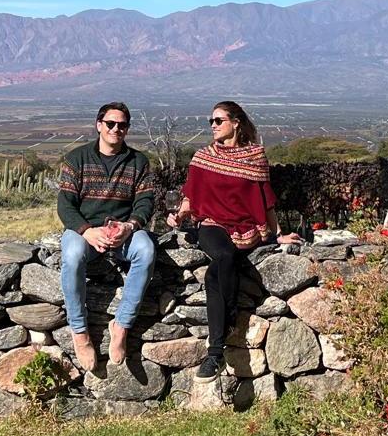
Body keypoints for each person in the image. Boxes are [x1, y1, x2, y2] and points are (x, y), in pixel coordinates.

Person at [169, 100, 301, 380]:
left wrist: (277, 235)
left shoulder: (255, 157)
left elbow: (266, 201)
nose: (213, 126)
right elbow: (191, 195)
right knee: (225, 257)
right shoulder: (203, 157)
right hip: (212, 225)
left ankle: (215, 353)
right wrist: (180, 216)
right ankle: (222, 336)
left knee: (215, 276)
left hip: (248, 229)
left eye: (219, 120)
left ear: (236, 123)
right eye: (211, 122)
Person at [56, 101, 158, 371]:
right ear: (99, 125)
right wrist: (87, 231)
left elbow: (145, 202)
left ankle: (121, 326)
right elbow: (65, 204)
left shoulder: (138, 162)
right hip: (86, 231)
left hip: (123, 232)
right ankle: (80, 332)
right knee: (73, 254)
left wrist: (130, 226)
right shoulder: (77, 159)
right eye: (110, 123)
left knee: (146, 251)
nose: (116, 129)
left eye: (122, 125)